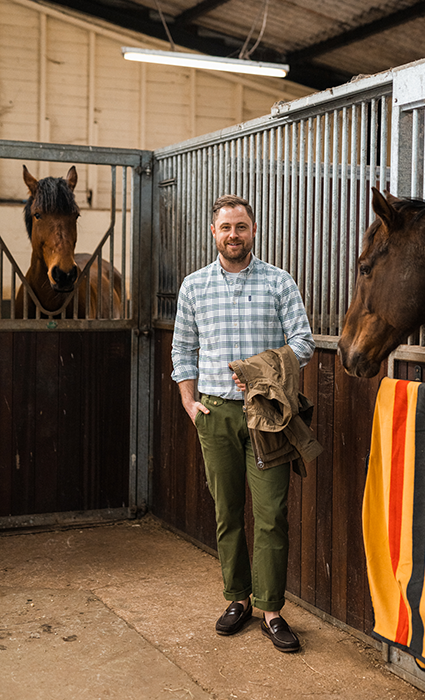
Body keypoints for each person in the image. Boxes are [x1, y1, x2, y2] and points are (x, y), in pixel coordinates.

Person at [171, 194, 315, 652]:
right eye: (225, 227)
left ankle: (271, 609)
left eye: (241, 226)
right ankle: (238, 599)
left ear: (254, 231)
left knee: (272, 513)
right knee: (227, 511)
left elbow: (304, 342)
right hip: (214, 413)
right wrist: (190, 405)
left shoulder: (279, 283)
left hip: (268, 415)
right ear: (213, 233)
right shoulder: (194, 287)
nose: (234, 234)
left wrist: (261, 367)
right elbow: (182, 352)